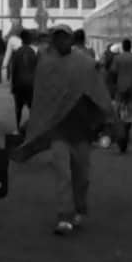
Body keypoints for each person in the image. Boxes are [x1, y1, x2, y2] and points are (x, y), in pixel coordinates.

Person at [14, 25, 112, 236]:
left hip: (82, 129)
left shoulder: (85, 64)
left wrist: (105, 120)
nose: (61, 42)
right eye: (56, 38)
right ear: (53, 41)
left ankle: (79, 207)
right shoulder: (46, 66)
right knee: (62, 174)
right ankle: (63, 216)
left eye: (64, 37)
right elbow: (41, 98)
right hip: (58, 130)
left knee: (82, 176)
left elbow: (98, 92)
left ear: (71, 39)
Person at [105, 38, 132, 153]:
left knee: (118, 110)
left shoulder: (117, 58)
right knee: (130, 111)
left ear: (123, 46)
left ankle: (120, 131)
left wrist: (111, 88)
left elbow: (112, 73)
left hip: (120, 89)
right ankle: (127, 128)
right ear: (130, 47)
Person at [7, 28, 37, 136]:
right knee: (31, 107)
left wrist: (13, 85)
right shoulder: (32, 52)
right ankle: (32, 128)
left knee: (18, 108)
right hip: (30, 84)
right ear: (28, 39)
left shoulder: (18, 52)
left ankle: (18, 128)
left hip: (19, 83)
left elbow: (14, 69)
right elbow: (36, 68)